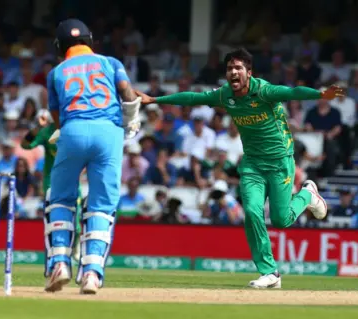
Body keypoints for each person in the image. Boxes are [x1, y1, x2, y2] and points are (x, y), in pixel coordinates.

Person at [135, 48, 344, 289]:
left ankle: (307, 194)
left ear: (248, 72)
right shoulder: (225, 95)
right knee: (253, 213)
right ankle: (270, 272)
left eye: (238, 68)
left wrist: (321, 94)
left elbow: (293, 91)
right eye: (229, 69)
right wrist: (155, 100)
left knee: (281, 220)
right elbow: (193, 98)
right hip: (252, 164)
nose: (233, 72)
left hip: (279, 163)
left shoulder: (264, 90)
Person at [45, 19, 140, 295]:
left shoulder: (56, 72)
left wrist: (62, 131)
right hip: (108, 134)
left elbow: (56, 114)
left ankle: (60, 264)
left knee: (60, 199)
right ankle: (91, 274)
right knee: (101, 205)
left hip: (73, 130)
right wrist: (131, 121)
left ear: (60, 46)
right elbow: (127, 92)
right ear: (90, 40)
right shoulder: (110, 63)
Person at [20, 109, 82, 276]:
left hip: (72, 181)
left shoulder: (75, 127)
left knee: (75, 223)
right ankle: (51, 262)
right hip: (52, 183)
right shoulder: (47, 130)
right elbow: (25, 145)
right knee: (52, 223)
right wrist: (36, 128)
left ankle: (75, 244)